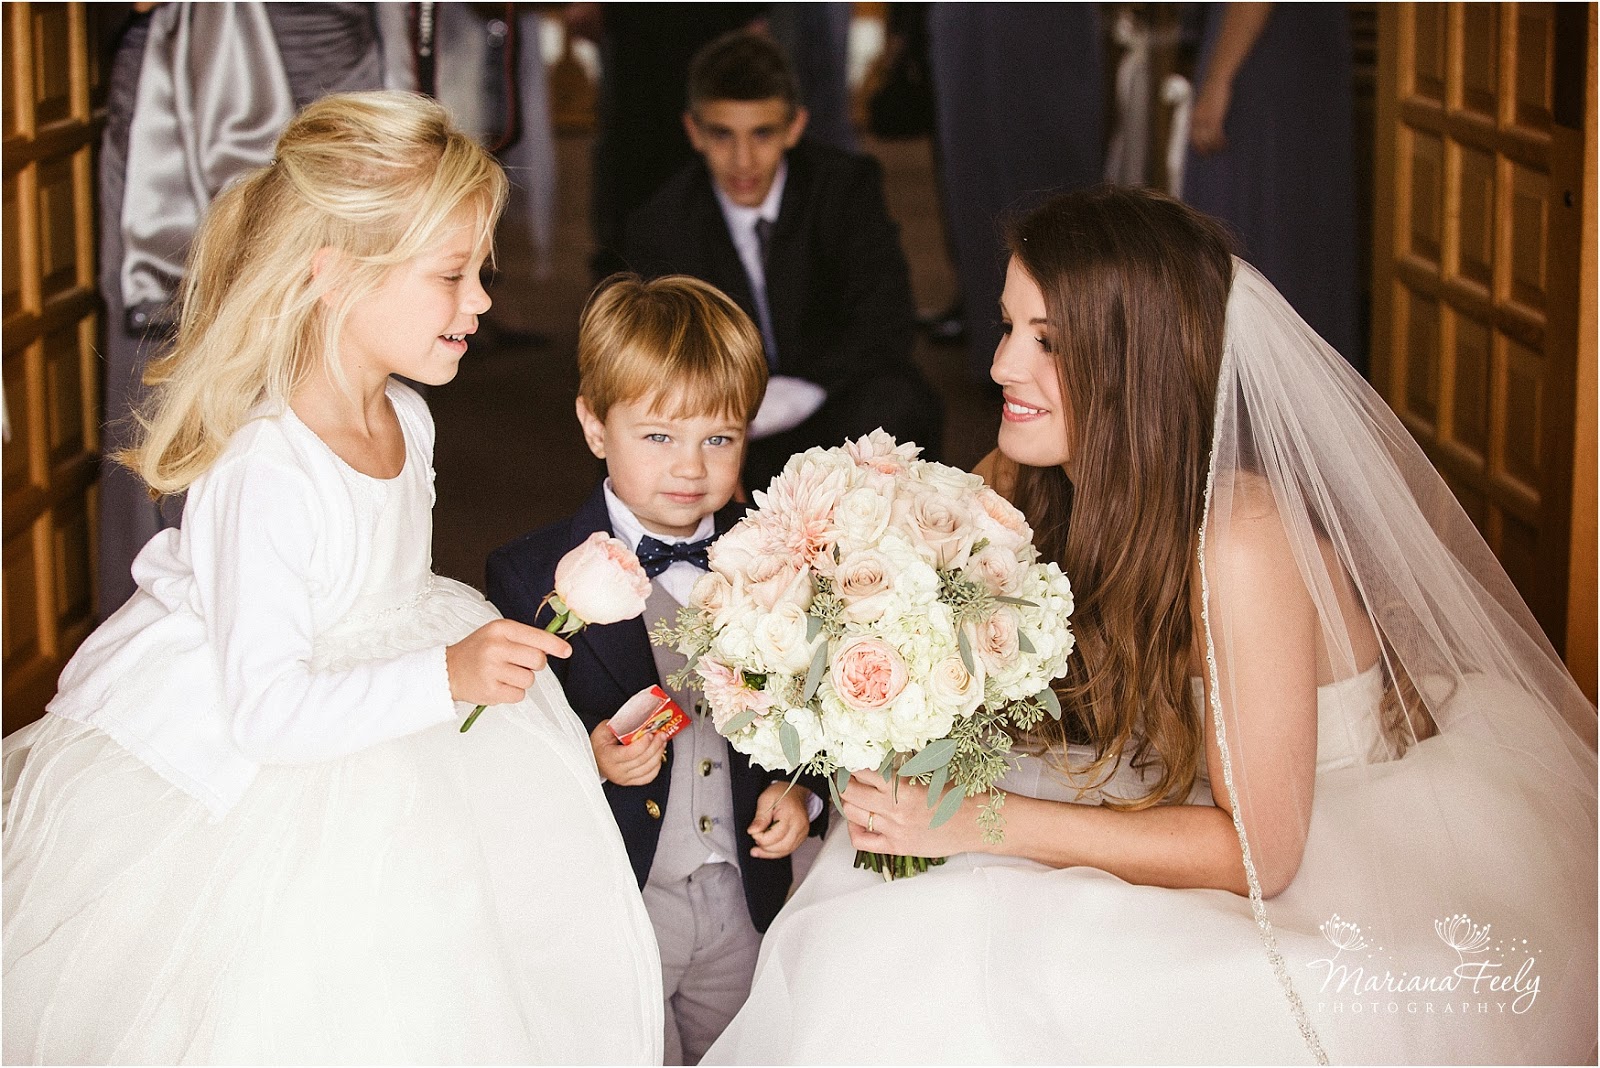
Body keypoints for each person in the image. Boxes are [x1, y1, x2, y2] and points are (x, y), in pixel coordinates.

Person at [704, 187, 1597, 1064]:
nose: (1002, 366)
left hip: (1317, 827)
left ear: (1136, 362)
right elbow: (920, 647)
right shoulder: (1018, 480)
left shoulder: (1240, 542)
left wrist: (980, 820)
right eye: (1009, 327)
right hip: (1144, 773)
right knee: (896, 937)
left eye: (1048, 342)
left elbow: (1259, 855)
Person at [3, 92, 662, 1065]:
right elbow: (267, 713)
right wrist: (446, 675)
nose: (481, 301)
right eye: (451, 275)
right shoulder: (265, 465)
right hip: (268, 775)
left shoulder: (409, 417)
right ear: (337, 273)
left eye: (479, 273)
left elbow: (387, 595)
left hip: (400, 723)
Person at [485, 274, 827, 1064]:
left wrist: (803, 791)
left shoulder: (781, 560)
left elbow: (827, 706)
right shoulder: (530, 574)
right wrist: (592, 758)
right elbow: (506, 753)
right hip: (616, 899)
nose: (690, 468)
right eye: (659, 437)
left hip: (744, 896)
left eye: (719, 439)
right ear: (594, 426)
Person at [624, 30, 943, 493]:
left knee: (900, 403)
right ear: (694, 131)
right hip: (727, 422)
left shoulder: (845, 189)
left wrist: (799, 393)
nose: (743, 160)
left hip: (832, 396)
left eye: (763, 133)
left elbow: (886, 320)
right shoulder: (662, 223)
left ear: (795, 127)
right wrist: (729, 418)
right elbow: (659, 362)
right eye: (722, 134)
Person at [1183, 2, 1363, 372]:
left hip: (1263, 65)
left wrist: (1219, 79)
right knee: (1297, 236)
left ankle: (1255, 387)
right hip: (1290, 61)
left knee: (1258, 235)